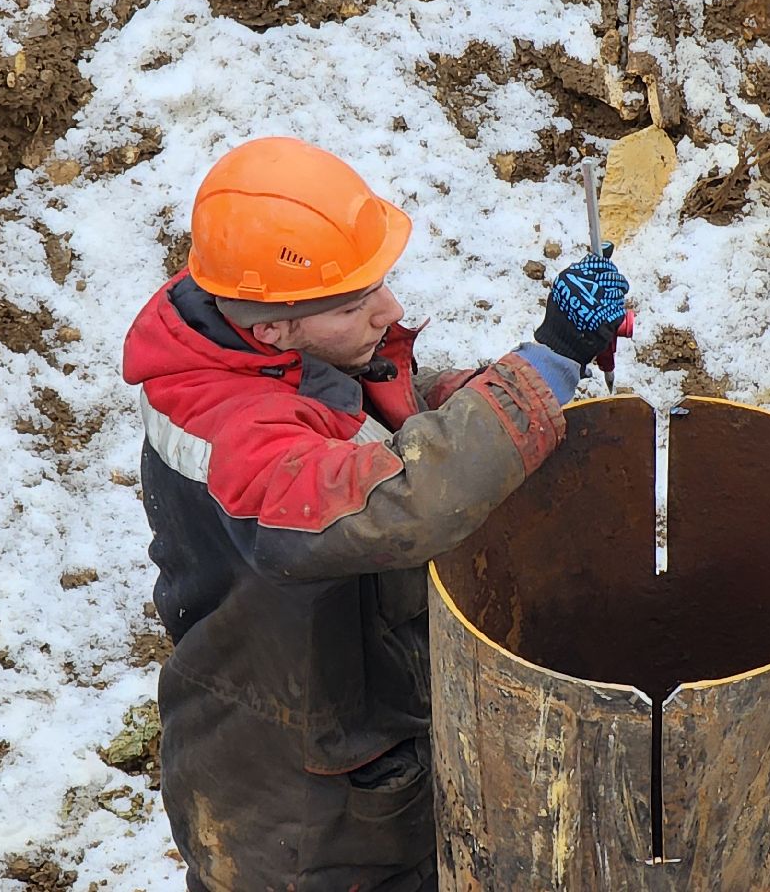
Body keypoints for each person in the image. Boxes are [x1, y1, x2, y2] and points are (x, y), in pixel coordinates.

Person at [121, 136, 631, 891]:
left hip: (349, 722)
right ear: (274, 328)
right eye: (358, 301)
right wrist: (545, 365)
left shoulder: (258, 326)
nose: (389, 309)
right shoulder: (238, 438)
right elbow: (391, 498)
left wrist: (514, 384)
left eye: (380, 283)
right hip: (296, 808)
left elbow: (382, 428)